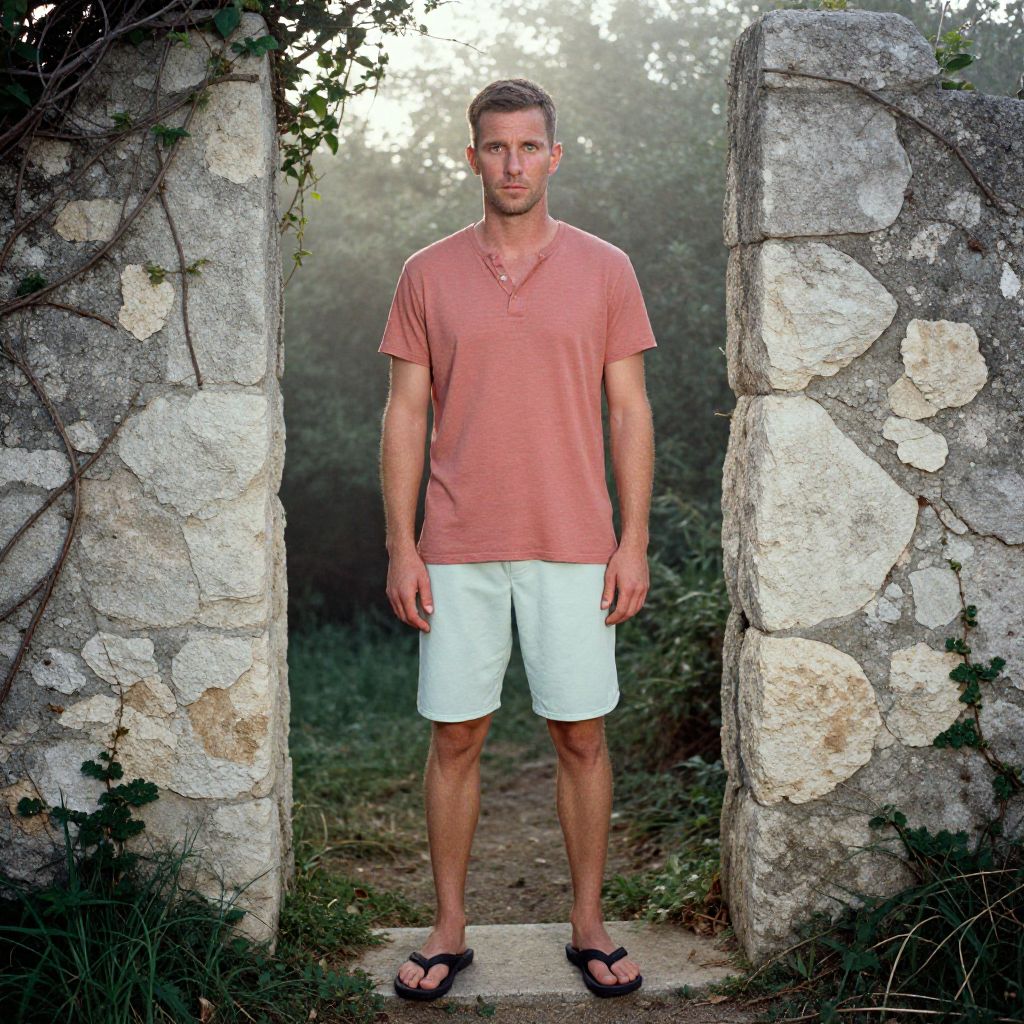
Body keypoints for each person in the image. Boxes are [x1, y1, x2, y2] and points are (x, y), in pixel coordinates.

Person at [377, 77, 657, 1001]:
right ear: (472, 158)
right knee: (456, 736)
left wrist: (633, 540)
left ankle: (587, 923)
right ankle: (449, 927)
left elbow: (629, 411)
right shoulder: (427, 272)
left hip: (576, 540)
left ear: (554, 155)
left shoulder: (607, 268)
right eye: (495, 147)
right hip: (455, 544)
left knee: (581, 733)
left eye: (528, 146)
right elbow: (405, 415)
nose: (512, 163)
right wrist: (401, 546)